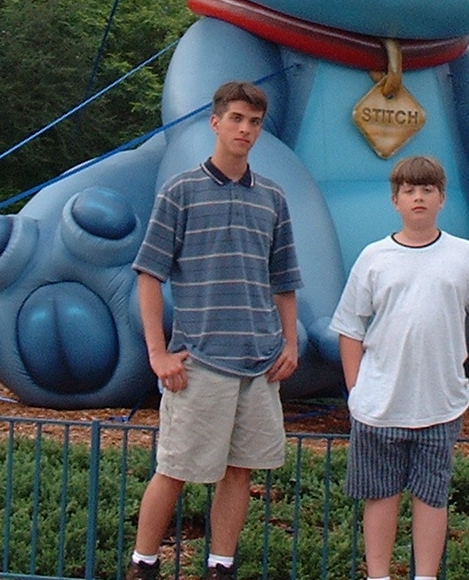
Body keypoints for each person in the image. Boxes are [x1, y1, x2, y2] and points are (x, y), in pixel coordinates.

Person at [127, 81, 301, 580]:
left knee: (240, 470)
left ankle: (221, 566)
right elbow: (149, 275)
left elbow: (285, 280)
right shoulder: (180, 191)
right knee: (175, 469)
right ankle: (143, 564)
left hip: (259, 361)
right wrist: (158, 353)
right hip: (199, 360)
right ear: (216, 122)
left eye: (255, 122)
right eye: (237, 119)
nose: (245, 129)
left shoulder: (273, 197)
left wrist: (289, 343)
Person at [329, 155, 469, 580]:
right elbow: (349, 327)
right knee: (381, 496)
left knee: (432, 498)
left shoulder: (465, 256)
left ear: (442, 199)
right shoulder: (373, 257)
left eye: (427, 190)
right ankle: (378, 575)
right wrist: (356, 389)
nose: (418, 198)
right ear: (395, 200)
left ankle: (425, 575)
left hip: (441, 404)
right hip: (379, 406)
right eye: (409, 190)